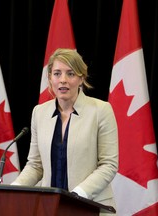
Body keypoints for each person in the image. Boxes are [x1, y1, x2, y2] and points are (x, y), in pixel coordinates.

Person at [11, 48, 119, 215]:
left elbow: (108, 165)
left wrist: (77, 195)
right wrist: (13, 190)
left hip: (90, 206)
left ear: (81, 78)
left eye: (70, 74)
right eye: (57, 73)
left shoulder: (101, 110)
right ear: (49, 78)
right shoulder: (39, 113)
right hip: (50, 208)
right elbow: (35, 165)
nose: (63, 80)